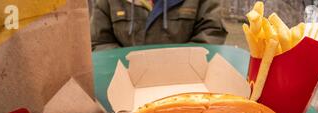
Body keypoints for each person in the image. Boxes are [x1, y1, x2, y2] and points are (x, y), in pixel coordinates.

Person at [90, 0, 227, 51]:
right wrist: (126, 66)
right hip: (126, 84)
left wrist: (184, 66)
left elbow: (211, 31)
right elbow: (100, 41)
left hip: (185, 84)